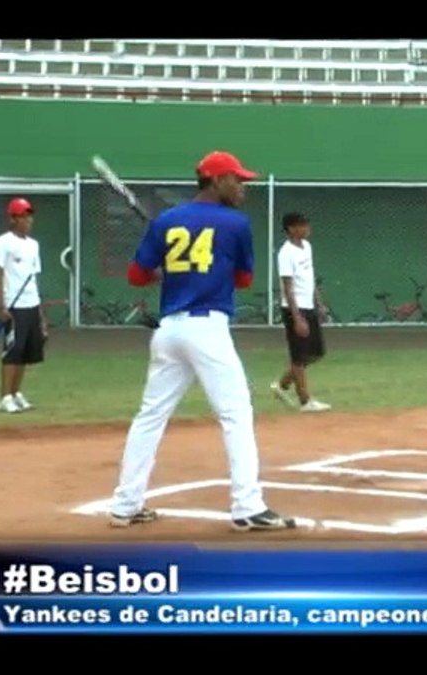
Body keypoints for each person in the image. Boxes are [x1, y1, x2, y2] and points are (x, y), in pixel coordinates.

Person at [108, 151, 296, 532]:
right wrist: (207, 271)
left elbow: (135, 275)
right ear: (214, 181)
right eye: (236, 180)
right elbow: (243, 281)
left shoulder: (165, 221)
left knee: (150, 417)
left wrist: (172, 272)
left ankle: (125, 505)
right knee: (236, 414)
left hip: (169, 331)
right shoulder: (235, 224)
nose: (242, 187)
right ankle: (248, 506)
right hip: (207, 328)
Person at [0, 197, 47, 414]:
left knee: (25, 353)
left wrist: (41, 316)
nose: (28, 220)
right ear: (13, 219)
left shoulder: (34, 245)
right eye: (23, 216)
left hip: (31, 304)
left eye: (29, 215)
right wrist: (0, 305)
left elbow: (34, 278)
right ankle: (4, 397)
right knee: (12, 352)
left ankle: (16, 393)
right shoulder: (3, 242)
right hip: (14, 306)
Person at [270, 212, 331, 413]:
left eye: (306, 224)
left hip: (309, 305)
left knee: (315, 353)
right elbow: (287, 287)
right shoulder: (285, 253)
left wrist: (319, 303)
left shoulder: (307, 247)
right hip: (293, 308)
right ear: (291, 229)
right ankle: (305, 401)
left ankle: (281, 384)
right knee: (299, 355)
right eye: (302, 225)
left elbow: (310, 277)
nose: (307, 228)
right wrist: (296, 318)